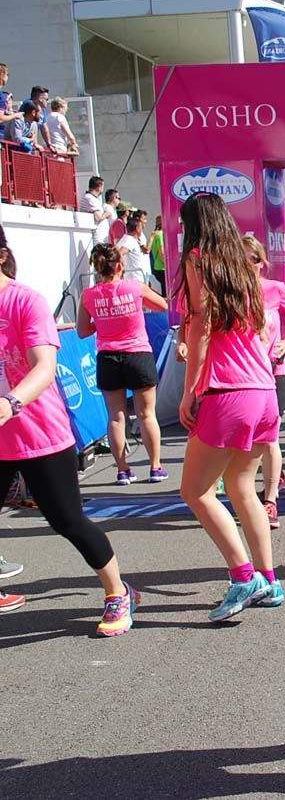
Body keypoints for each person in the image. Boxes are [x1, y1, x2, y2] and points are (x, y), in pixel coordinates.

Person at [0, 240, 139, 634]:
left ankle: (118, 592)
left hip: (37, 432)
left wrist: (10, 403)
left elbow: (44, 367)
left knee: (68, 520)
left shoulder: (26, 302)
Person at [176, 192, 282, 621]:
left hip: (228, 391)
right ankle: (269, 579)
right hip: (262, 391)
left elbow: (200, 325)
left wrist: (189, 391)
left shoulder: (198, 259)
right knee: (241, 487)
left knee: (196, 491)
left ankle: (244, 577)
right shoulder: (241, 263)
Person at [77, 242, 169, 485]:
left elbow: (82, 331)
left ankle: (122, 470)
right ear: (119, 266)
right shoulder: (135, 287)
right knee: (146, 414)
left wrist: (104, 321)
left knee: (116, 417)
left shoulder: (89, 295)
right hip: (138, 353)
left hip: (108, 357)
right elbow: (163, 305)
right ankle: (155, 466)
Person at [242, 235, 285, 531]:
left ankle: (270, 499)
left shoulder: (275, 289)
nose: (248, 266)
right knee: (248, 439)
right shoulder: (231, 294)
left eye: (253, 260)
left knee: (269, 438)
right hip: (242, 376)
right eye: (241, 260)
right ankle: (261, 483)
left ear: (262, 262)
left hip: (273, 371)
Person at [116, 210, 152, 285]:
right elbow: (119, 253)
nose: (142, 229)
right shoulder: (130, 240)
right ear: (136, 229)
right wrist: (121, 269)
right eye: (141, 227)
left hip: (135, 279)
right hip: (135, 280)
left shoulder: (128, 238)